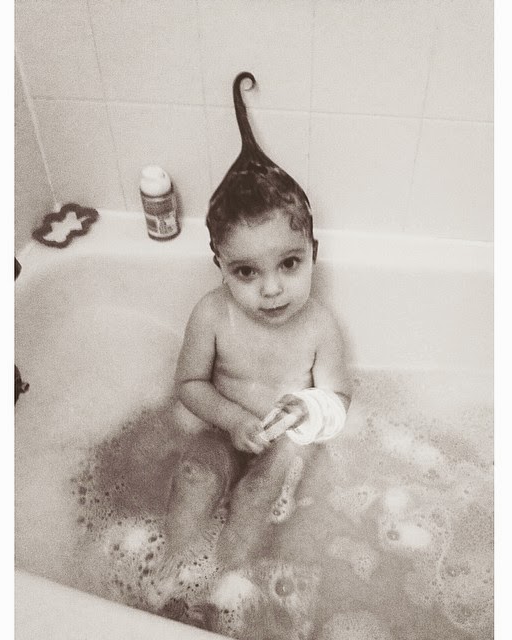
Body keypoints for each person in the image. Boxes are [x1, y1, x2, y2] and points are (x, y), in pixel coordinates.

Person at [166, 72, 351, 572]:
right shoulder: (211, 314)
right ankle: (174, 566)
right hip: (223, 429)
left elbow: (338, 399)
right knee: (195, 475)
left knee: (261, 491)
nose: (271, 289)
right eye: (247, 271)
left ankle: (230, 579)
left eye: (288, 264)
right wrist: (233, 421)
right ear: (221, 265)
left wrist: (307, 408)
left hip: (285, 441)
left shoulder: (320, 326)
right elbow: (188, 384)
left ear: (312, 254)